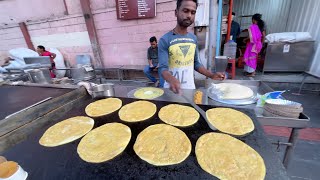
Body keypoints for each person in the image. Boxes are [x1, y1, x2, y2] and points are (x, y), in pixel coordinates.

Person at [158, 0, 225, 93]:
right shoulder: (165, 39)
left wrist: (211, 75)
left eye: (193, 12)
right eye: (185, 11)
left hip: (190, 90)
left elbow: (196, 64)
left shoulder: (193, 38)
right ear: (176, 12)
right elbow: (162, 68)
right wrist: (171, 79)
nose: (189, 15)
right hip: (171, 90)